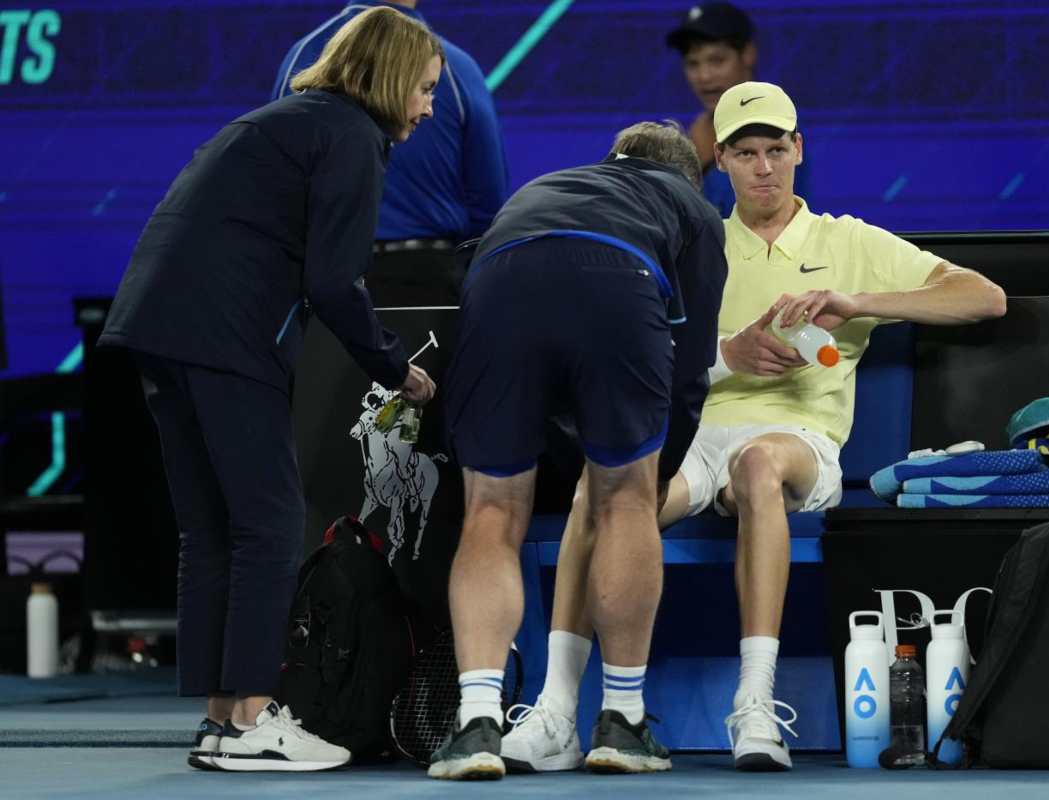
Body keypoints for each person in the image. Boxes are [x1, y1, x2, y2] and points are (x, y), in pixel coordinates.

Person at [504, 81, 1007, 773]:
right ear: (722, 161)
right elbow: (640, 355)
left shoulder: (848, 239)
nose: (764, 167)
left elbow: (984, 297)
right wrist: (725, 356)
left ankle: (756, 704)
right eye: (745, 153)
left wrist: (854, 301)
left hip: (795, 445)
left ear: (799, 150)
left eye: (776, 149)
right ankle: (558, 709)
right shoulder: (692, 236)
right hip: (693, 439)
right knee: (606, 476)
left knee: (759, 465)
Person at [98, 7, 440, 772]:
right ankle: (255, 719)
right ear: (388, 78)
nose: (425, 108)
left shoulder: (284, 119)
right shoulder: (352, 136)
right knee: (269, 524)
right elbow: (334, 282)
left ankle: (221, 719)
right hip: (226, 335)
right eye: (422, 89)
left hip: (157, 328)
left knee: (213, 529)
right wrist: (396, 367)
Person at [428, 121, 728, 780]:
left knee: (490, 511)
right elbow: (692, 367)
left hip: (498, 281)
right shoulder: (695, 209)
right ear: (689, 176)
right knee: (624, 501)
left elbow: (469, 267)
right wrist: (659, 465)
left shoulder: (545, 185)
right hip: (618, 277)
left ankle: (475, 722)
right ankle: (621, 722)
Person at [274, 0, 509, 305]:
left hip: (321, 281)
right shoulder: (455, 68)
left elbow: (277, 195)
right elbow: (488, 204)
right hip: (424, 281)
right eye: (425, 91)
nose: (428, 109)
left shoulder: (301, 60)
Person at [665, 1, 804, 216]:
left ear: (748, 54)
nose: (704, 76)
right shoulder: (694, 135)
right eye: (693, 64)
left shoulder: (783, 126)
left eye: (717, 60)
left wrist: (703, 170)